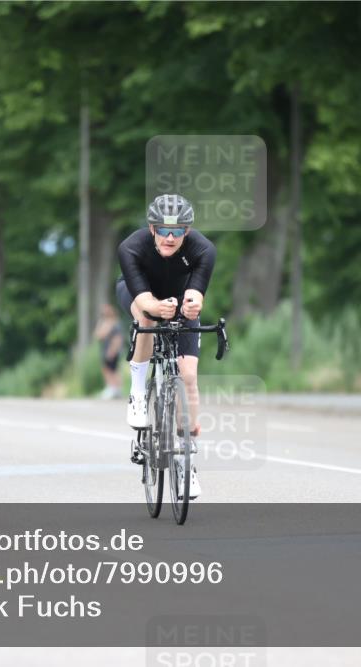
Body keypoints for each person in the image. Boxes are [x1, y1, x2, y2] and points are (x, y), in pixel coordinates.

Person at [115, 194, 216, 498]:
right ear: (152, 228)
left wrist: (193, 305)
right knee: (146, 315)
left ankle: (187, 461)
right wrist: (156, 308)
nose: (170, 238)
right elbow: (145, 301)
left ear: (187, 231)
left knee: (188, 376)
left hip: (179, 298)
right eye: (163, 230)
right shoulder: (131, 247)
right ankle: (137, 392)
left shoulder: (204, 249)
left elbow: (197, 294)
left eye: (177, 231)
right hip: (140, 294)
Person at [94, 303, 124, 399]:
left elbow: (117, 338)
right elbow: (97, 335)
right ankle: (112, 388)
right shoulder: (104, 322)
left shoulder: (114, 323)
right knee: (108, 369)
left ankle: (114, 389)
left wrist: (112, 350)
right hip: (106, 349)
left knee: (112, 370)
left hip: (112, 350)